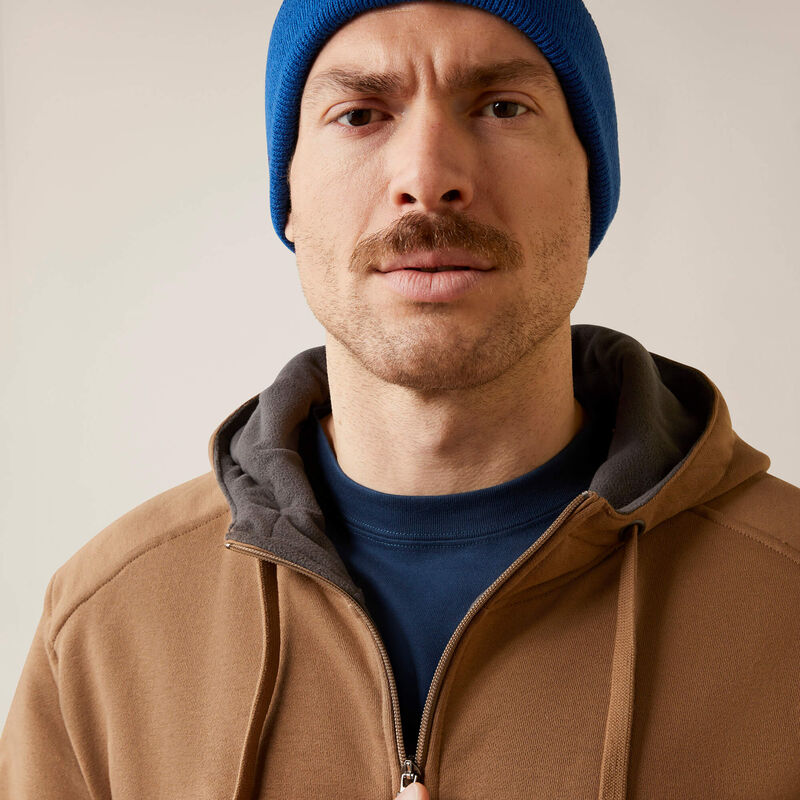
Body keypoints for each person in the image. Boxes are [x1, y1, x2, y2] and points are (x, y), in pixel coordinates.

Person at [2, 0, 799, 797]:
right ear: (289, 191)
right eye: (359, 115)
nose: (427, 178)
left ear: (592, 180)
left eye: (502, 107)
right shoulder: (105, 627)